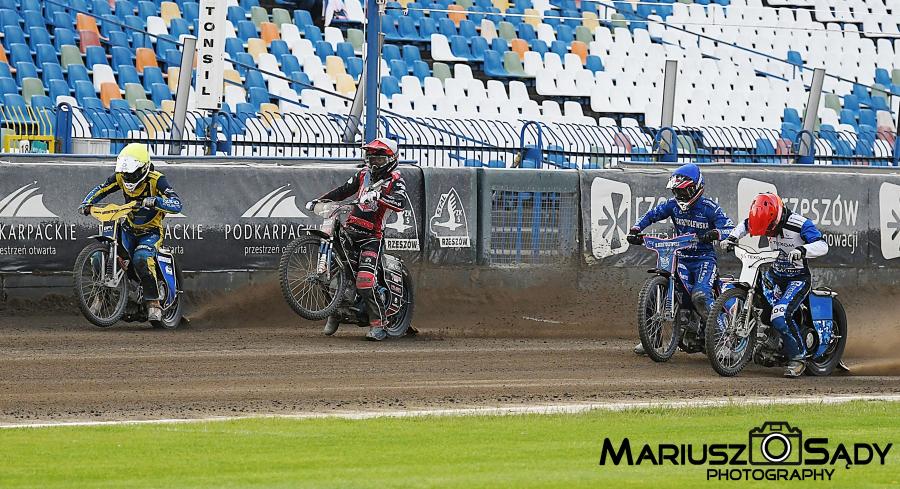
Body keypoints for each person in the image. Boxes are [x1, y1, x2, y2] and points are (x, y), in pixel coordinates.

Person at [626, 163, 734, 355]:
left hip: (703, 260)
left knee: (700, 296)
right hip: (680, 257)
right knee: (654, 292)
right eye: (677, 191)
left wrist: (715, 233)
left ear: (697, 188)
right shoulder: (672, 205)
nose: (681, 195)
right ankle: (653, 340)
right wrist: (635, 229)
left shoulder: (709, 208)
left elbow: (729, 228)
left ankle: (723, 341)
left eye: (685, 191)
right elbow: (651, 215)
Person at [306, 137, 407, 341]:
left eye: (379, 158)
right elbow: (343, 190)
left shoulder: (395, 180)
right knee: (329, 272)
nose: (374, 162)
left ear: (391, 159)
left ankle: (378, 324)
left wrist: (380, 197)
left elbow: (400, 202)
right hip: (350, 230)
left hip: (372, 237)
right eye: (371, 157)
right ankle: (334, 312)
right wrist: (320, 200)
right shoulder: (363, 175)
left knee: (365, 281)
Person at [721, 193, 828, 378]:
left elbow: (822, 245)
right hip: (774, 275)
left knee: (779, 315)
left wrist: (803, 250)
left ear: (776, 217)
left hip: (797, 279)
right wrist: (732, 238)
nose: (768, 233)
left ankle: (798, 358)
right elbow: (745, 224)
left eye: (769, 228)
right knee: (734, 291)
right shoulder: (762, 219)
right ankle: (750, 343)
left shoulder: (800, 224)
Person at [79, 143, 183, 323]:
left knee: (141, 257)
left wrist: (155, 201)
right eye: (125, 174)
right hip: (128, 228)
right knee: (99, 256)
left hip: (151, 232)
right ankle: (102, 296)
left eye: (132, 174)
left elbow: (177, 203)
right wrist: (87, 203)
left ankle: (153, 302)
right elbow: (102, 188)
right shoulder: (120, 177)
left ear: (143, 169)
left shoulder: (157, 179)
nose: (128, 178)